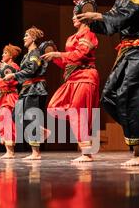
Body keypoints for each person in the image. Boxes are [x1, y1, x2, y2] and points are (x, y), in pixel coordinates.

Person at [74, 0, 139, 166]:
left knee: (131, 98)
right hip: (125, 54)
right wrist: (88, 13)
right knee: (109, 97)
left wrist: (99, 15)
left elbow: (129, 16)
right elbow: (110, 25)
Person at [42, 11, 99, 162]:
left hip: (85, 76)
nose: (73, 17)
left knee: (77, 112)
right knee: (54, 107)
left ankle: (86, 153)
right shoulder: (72, 37)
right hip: (72, 78)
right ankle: (84, 139)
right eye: (72, 14)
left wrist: (58, 54)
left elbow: (80, 54)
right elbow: (69, 62)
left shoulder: (88, 34)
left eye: (76, 14)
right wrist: (54, 57)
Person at [4, 27, 48, 160]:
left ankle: (36, 152)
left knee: (31, 117)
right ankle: (41, 131)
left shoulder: (35, 53)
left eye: (27, 35)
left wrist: (14, 75)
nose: (24, 38)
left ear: (33, 38)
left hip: (35, 87)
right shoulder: (27, 54)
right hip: (27, 88)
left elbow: (32, 70)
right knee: (15, 116)